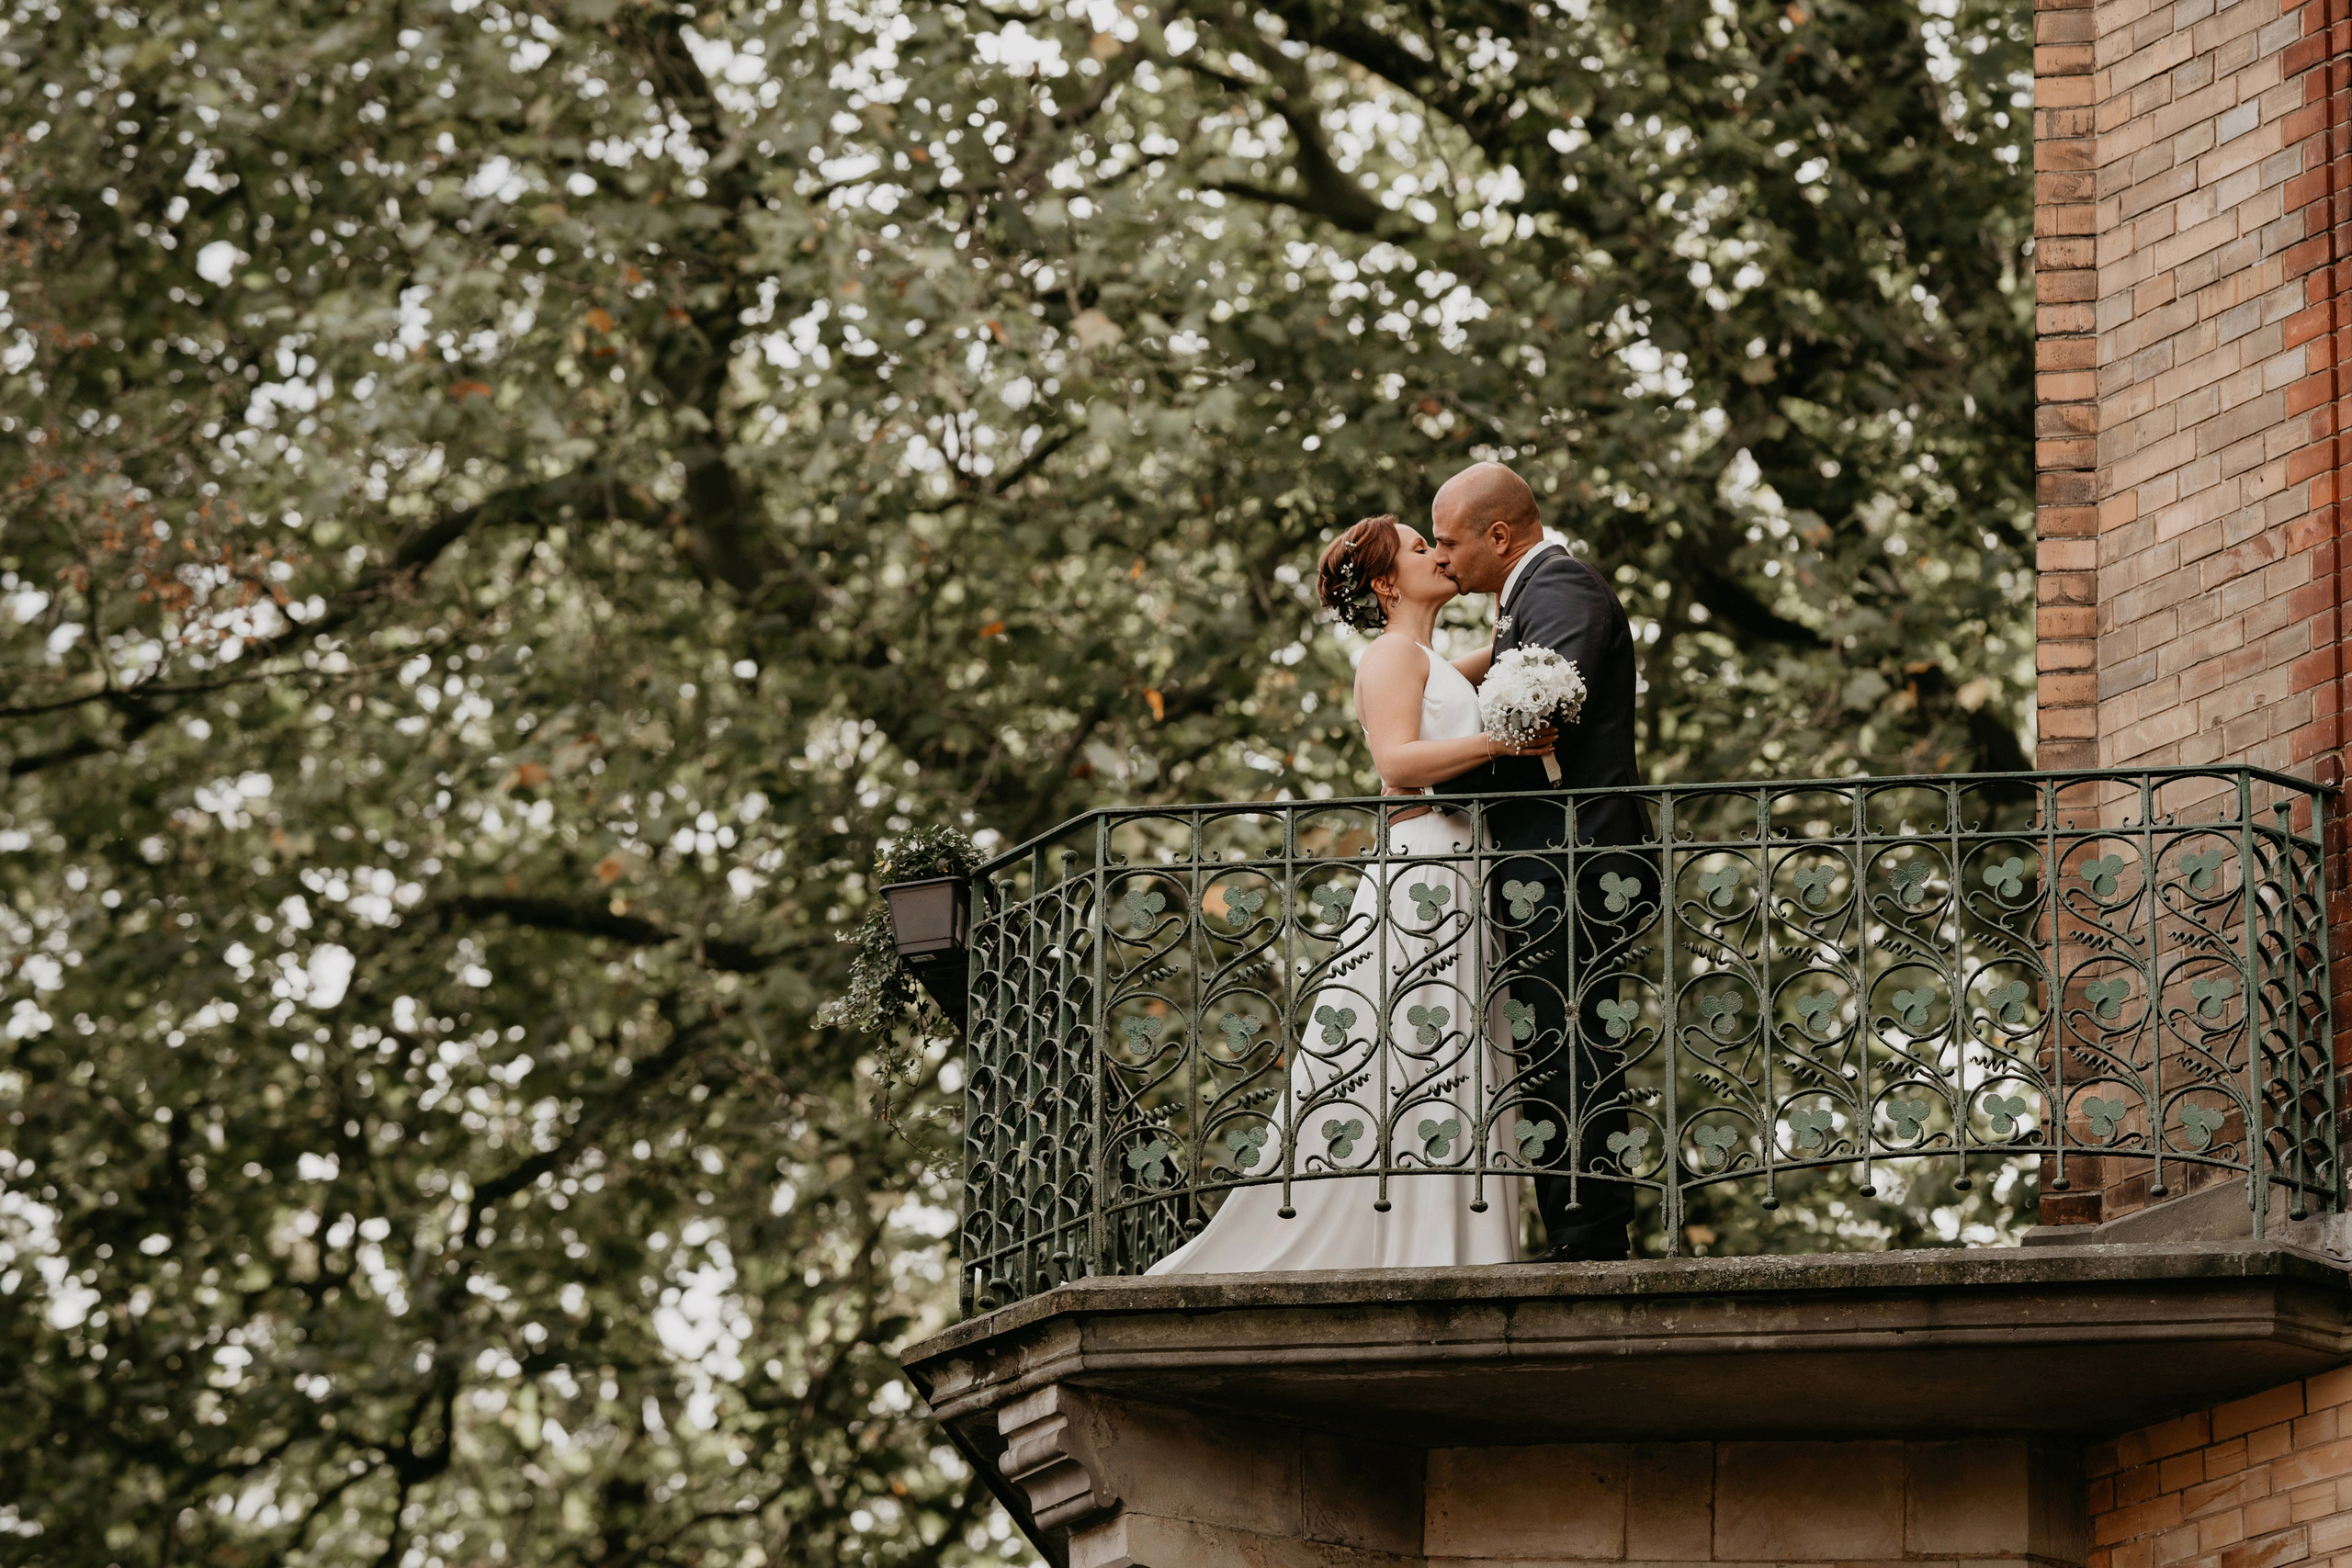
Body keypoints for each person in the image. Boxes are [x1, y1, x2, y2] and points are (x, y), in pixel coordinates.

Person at [1145, 515, 1551, 1274]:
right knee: (1419, 1044)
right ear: (1389, 580)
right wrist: (1505, 742)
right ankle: (1422, 1243)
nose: (1438, 551)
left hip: (1460, 864)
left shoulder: (1426, 656)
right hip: (1425, 861)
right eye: (1420, 545)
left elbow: (1502, 662)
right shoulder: (1390, 653)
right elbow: (1397, 760)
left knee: (1451, 1048)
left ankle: (1451, 1236)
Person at [1430, 461, 1650, 1264]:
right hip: (1549, 857)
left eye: (1451, 541)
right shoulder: (1522, 603)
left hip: (1576, 855)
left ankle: (1590, 1233)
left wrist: (1431, 776)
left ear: (1499, 534)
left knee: (1570, 1036)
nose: (1443, 556)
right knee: (1552, 1036)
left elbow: (1537, 724)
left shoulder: (1557, 588)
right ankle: (1577, 1221)